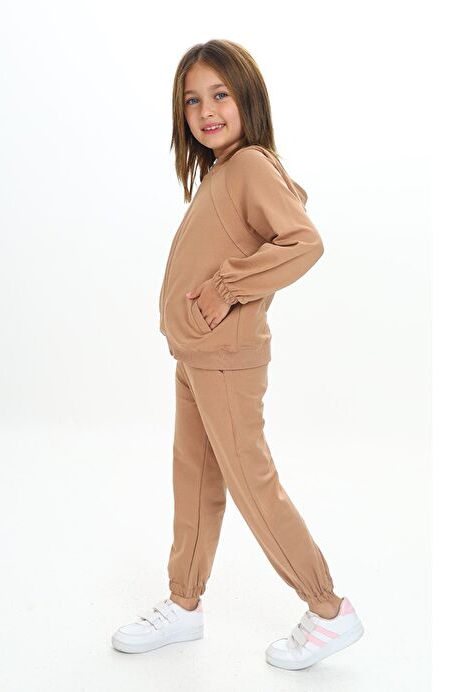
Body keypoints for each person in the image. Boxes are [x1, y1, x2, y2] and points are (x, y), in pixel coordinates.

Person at [112, 39, 364, 670]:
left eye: (220, 94)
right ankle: (184, 603)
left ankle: (327, 607)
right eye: (193, 100)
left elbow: (303, 242)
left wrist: (226, 288)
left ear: (249, 97)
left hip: (225, 357)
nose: (207, 111)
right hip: (197, 355)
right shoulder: (223, 172)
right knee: (194, 479)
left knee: (251, 483)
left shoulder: (249, 165)